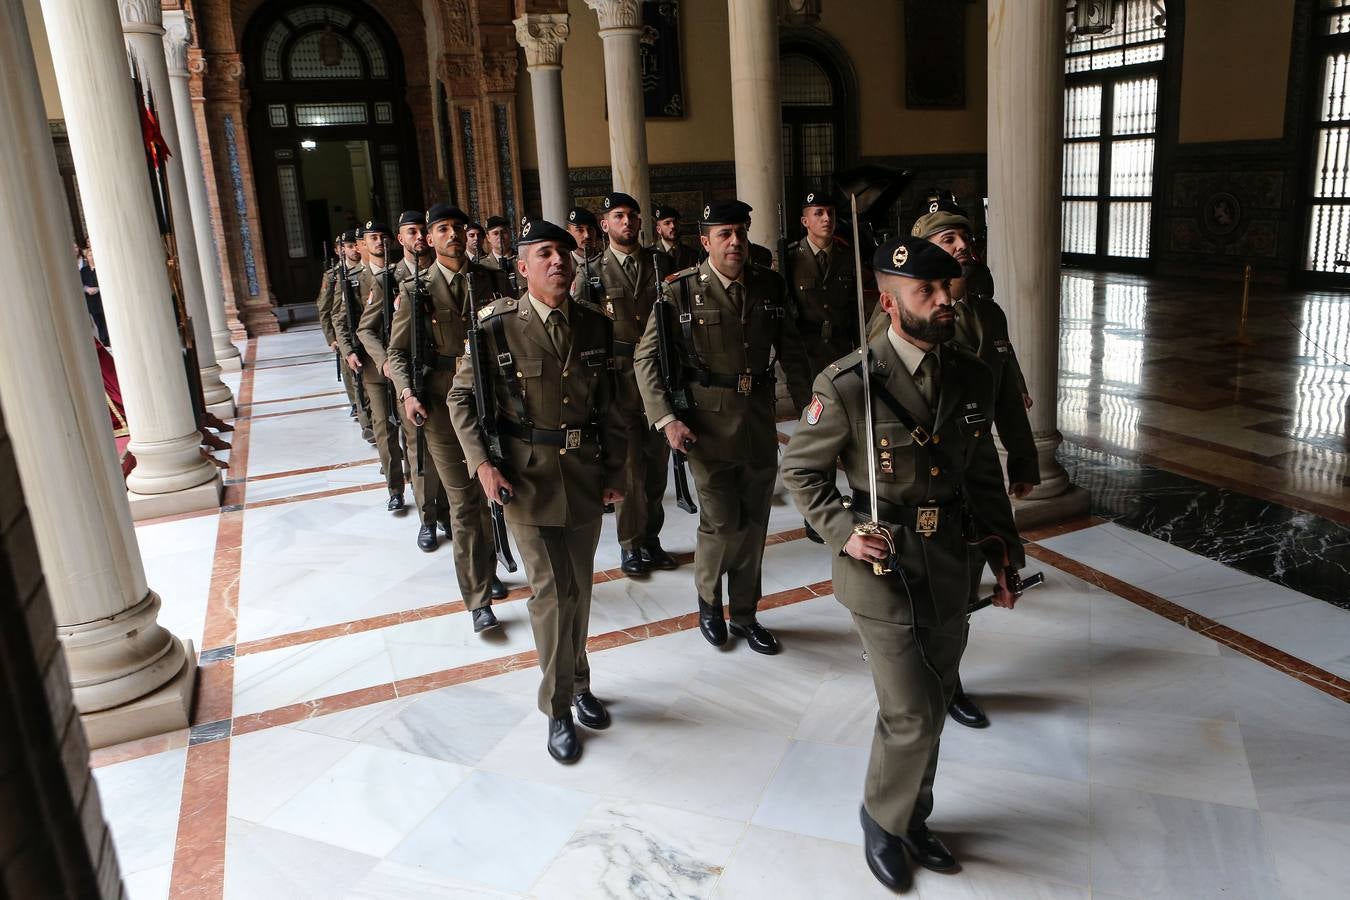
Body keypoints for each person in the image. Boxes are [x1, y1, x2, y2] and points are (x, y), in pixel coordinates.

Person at [781, 235, 1027, 892]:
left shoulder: (972, 375)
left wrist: (1005, 558)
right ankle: (883, 821)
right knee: (912, 709)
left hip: (952, 558)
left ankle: (915, 817)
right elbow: (800, 470)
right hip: (881, 567)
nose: (947, 300)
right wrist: (842, 530)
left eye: (950, 287)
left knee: (939, 697)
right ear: (890, 303)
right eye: (929, 291)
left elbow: (982, 479)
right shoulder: (849, 383)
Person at [448, 218, 626, 764]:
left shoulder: (595, 324)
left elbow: (613, 408)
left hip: (585, 475)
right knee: (551, 594)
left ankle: (579, 679)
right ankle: (558, 708)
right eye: (546, 253)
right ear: (522, 267)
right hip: (525, 479)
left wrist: (619, 473)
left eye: (566, 253)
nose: (559, 262)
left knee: (581, 590)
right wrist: (482, 465)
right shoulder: (495, 327)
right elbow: (461, 400)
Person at [634, 199, 812, 655]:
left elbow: (792, 352)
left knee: (754, 523)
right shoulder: (680, 291)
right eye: (725, 234)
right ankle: (710, 603)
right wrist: (667, 418)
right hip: (705, 425)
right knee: (720, 521)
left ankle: (747, 612)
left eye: (740, 232)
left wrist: (813, 412)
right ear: (705, 242)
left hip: (757, 420)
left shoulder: (769, 285)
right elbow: (646, 358)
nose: (735, 242)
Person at [911, 195, 1040, 729]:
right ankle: (915, 677)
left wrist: (1025, 460)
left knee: (967, 575)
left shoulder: (988, 312)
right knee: (925, 581)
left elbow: (1006, 389)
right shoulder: (905, 313)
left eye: (966, 239)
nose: (963, 247)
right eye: (948, 240)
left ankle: (950, 679)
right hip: (923, 466)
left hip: (976, 460)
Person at [386, 203, 509, 630]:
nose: (453, 234)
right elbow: (397, 352)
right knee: (463, 500)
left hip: (490, 401)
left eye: (458, 227)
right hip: (439, 407)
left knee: (493, 488)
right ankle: (477, 597)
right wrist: (407, 393)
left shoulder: (491, 281)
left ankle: (489, 566)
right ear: (430, 238)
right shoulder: (417, 289)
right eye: (442, 228)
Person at [591, 192, 676, 575]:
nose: (627, 222)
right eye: (618, 216)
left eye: (632, 216)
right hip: (617, 381)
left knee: (656, 465)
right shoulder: (592, 273)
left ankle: (651, 539)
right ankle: (630, 544)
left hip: (658, 377)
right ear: (604, 224)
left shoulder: (660, 264)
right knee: (628, 470)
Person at [336, 219, 406, 512]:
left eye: (382, 237)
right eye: (372, 238)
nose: (379, 242)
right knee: (383, 426)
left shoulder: (403, 273)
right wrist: (349, 350)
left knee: (413, 429)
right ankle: (395, 487)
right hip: (372, 365)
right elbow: (342, 320)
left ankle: (421, 482)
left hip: (405, 360)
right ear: (363, 244)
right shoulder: (353, 279)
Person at [319, 232, 374, 442]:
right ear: (339, 249)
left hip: (365, 333)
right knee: (356, 381)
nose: (352, 249)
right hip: (347, 334)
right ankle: (364, 418)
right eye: (348, 246)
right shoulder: (334, 275)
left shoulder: (366, 272)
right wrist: (332, 338)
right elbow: (326, 309)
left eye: (355, 245)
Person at [566, 206, 604, 298]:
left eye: (590, 229)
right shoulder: (563, 265)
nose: (587, 235)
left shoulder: (607, 261)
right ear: (568, 234)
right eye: (580, 230)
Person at [79, 241, 110, 347]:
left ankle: (107, 340)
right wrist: (86, 289)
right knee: (98, 321)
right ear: (86, 257)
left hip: (101, 298)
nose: (91, 257)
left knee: (105, 319)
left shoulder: (100, 268)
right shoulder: (84, 270)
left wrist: (97, 289)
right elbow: (80, 283)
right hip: (91, 300)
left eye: (93, 255)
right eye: (89, 255)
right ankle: (104, 340)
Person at [652, 205, 699, 270]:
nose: (673, 226)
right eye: (667, 223)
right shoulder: (650, 255)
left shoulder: (693, 254)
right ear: (658, 229)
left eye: (675, 222)